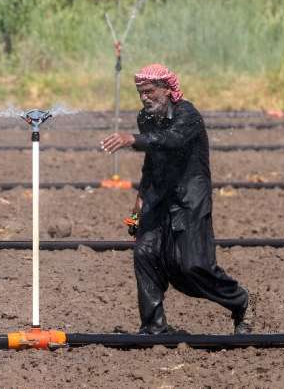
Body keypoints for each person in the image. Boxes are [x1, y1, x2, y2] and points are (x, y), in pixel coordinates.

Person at [100, 63, 254, 335]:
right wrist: (140, 201)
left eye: (149, 92)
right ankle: (154, 326)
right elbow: (153, 161)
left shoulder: (188, 115)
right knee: (144, 252)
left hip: (190, 199)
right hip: (160, 197)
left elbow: (170, 140)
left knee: (193, 265)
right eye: (140, 93)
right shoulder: (145, 119)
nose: (144, 98)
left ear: (167, 90)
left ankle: (241, 301)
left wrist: (131, 139)